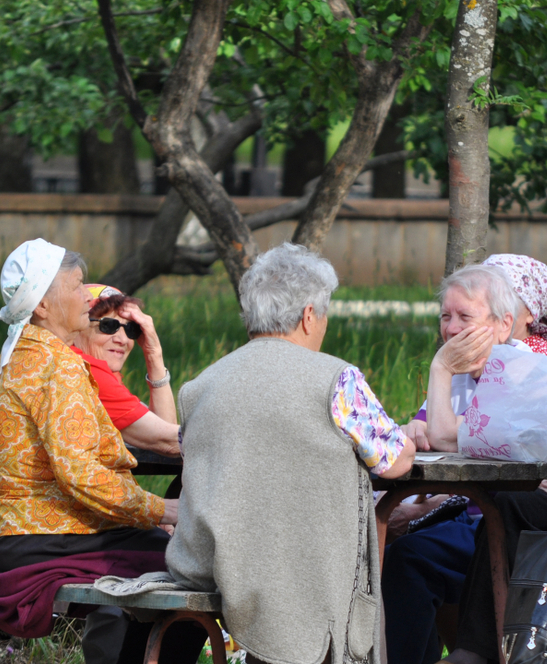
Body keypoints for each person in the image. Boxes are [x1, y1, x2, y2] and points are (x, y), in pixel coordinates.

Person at [166, 243, 415, 664]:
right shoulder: (337, 380)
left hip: (209, 565)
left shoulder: (199, 387)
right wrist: (407, 439)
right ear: (308, 316)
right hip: (310, 572)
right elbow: (393, 464)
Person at [0, 238, 203, 664]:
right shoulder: (58, 365)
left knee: (166, 549)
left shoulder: (12, 358)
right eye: (76, 287)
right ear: (41, 306)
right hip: (40, 539)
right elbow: (81, 476)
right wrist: (166, 510)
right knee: (190, 564)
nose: (85, 296)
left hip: (7, 540)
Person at [384, 258, 547, 664]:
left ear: (503, 323)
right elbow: (422, 435)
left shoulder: (531, 373)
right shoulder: (462, 375)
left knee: (429, 550)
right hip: (472, 516)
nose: (452, 329)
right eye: (446, 316)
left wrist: (439, 369)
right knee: (404, 559)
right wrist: (411, 430)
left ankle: (469, 654)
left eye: (465, 316)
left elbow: (445, 434)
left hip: (524, 528)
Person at [0, 284, 182, 572]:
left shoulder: (47, 357)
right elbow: (169, 441)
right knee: (157, 551)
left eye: (132, 331)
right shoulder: (74, 367)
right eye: (108, 325)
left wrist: (153, 354)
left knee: (134, 539)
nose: (122, 338)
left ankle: (110, 616)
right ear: (78, 328)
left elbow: (164, 438)